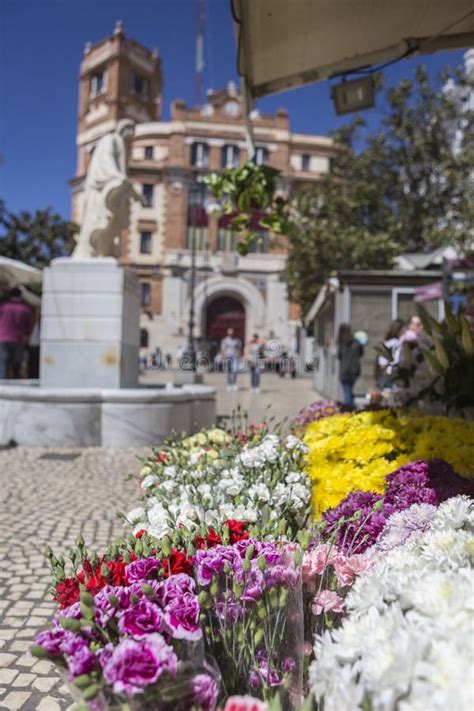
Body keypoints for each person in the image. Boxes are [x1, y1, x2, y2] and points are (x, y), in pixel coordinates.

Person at [0, 287, 34, 379]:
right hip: (18, 339)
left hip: (3, 338)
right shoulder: (25, 309)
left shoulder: (4, 307)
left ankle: (2, 387)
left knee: (3, 364)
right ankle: (15, 386)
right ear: (20, 295)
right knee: (16, 365)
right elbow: (30, 326)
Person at [337, 323, 363, 408]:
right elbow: (361, 353)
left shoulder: (341, 343)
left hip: (344, 370)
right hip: (355, 370)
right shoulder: (357, 342)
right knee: (349, 390)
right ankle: (352, 405)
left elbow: (339, 356)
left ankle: (348, 409)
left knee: (347, 391)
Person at [376, 318, 406, 389]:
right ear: (399, 330)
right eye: (404, 329)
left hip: (389, 375)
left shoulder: (388, 343)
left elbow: (381, 363)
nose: (405, 332)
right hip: (393, 375)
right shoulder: (395, 343)